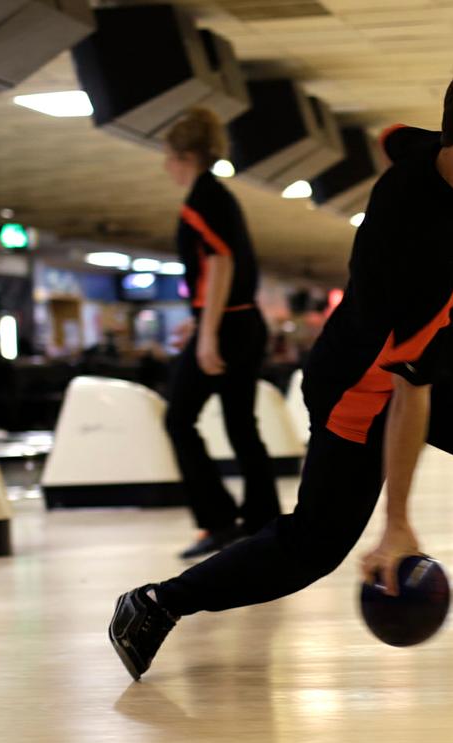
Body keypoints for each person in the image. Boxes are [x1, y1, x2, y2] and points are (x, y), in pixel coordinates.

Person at [109, 59, 453, 684]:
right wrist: (397, 523)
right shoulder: (430, 246)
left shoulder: (445, 162)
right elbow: (409, 391)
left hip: (419, 360)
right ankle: (154, 604)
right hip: (363, 387)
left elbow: (397, 137)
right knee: (312, 547)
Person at [161, 107, 282, 559]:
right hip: (242, 321)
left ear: (186, 156)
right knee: (240, 425)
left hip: (228, 327)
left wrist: (207, 333)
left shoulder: (202, 199)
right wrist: (200, 320)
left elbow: (220, 262)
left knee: (178, 419)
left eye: (168, 157)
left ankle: (218, 520)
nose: (165, 166)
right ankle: (262, 521)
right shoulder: (218, 196)